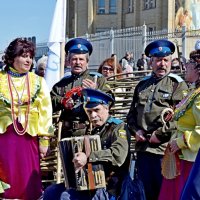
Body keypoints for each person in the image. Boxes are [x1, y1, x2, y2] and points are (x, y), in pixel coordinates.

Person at [126, 39, 188, 200]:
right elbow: (131, 115)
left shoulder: (177, 85)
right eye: (158, 60)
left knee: (166, 194)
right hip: (143, 150)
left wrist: (160, 135)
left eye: (166, 60)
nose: (162, 64)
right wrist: (136, 131)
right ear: (151, 61)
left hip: (165, 151)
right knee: (146, 193)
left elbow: (179, 118)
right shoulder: (142, 85)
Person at [44, 88, 130, 200]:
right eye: (89, 111)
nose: (93, 115)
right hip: (88, 183)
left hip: (110, 186)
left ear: (107, 108)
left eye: (97, 110)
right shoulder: (92, 131)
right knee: (51, 191)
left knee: (67, 197)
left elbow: (118, 155)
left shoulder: (118, 128)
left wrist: (88, 157)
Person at [0, 38, 54, 199]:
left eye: (30, 56)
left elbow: (45, 111)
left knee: (27, 178)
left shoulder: (37, 81)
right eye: (24, 56)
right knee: (5, 175)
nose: (28, 60)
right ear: (11, 58)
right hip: (4, 136)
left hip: (28, 138)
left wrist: (44, 140)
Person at [50, 37, 111, 138]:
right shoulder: (62, 84)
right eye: (74, 59)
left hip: (90, 132)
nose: (78, 62)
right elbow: (49, 102)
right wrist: (62, 101)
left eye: (81, 59)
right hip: (66, 133)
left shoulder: (98, 80)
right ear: (69, 61)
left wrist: (95, 92)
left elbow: (110, 101)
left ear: (87, 62)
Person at [158, 60, 200, 200]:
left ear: (198, 69)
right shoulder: (193, 91)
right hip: (181, 156)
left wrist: (181, 142)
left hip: (192, 159)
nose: (185, 66)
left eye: (189, 63)